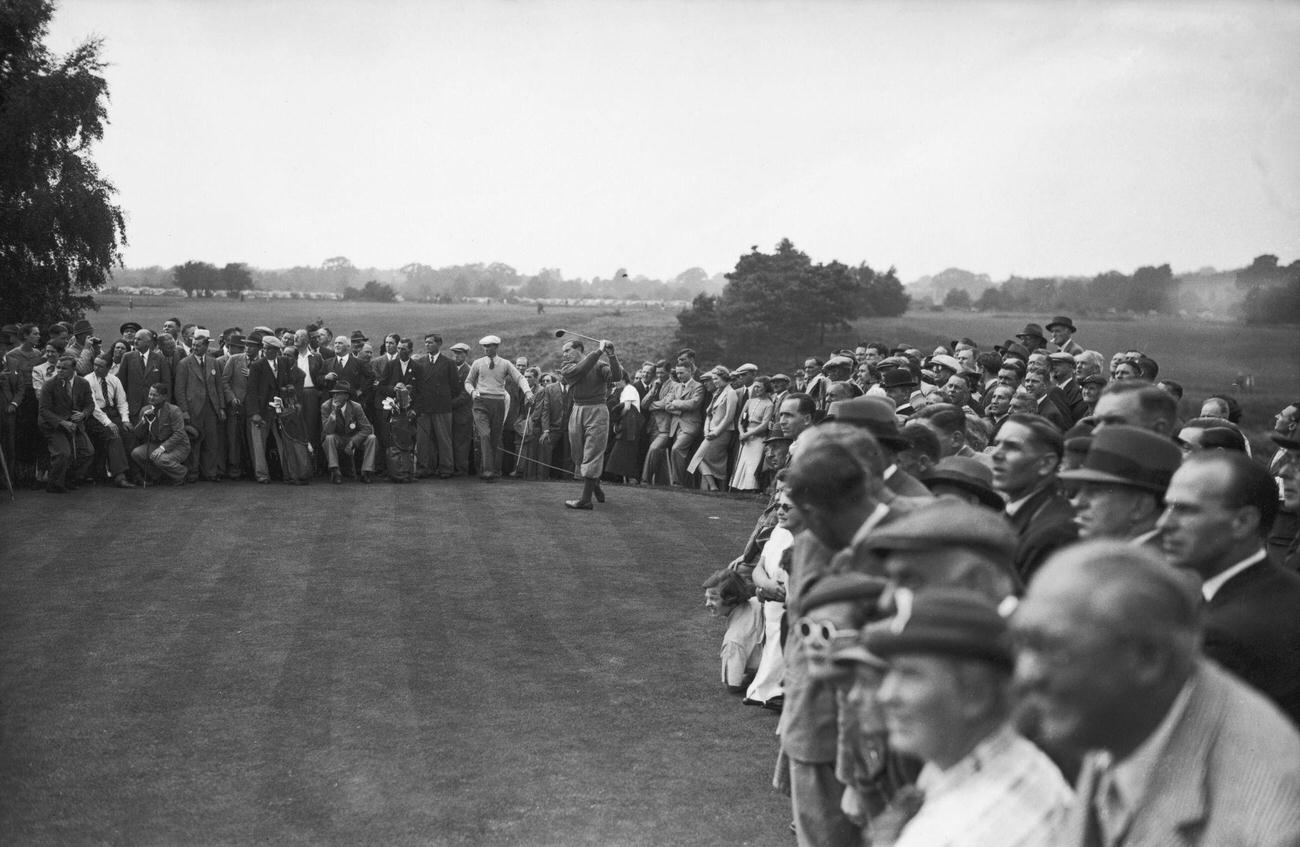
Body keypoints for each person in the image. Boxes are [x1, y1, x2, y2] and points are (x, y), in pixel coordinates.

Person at [1011, 540, 1300, 846]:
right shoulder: (1125, 710)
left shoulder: (1263, 824)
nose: (1026, 677)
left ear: (1148, 659)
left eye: (1054, 650)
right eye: (1025, 644)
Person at [866, 588, 1071, 847]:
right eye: (889, 672)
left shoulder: (941, 838)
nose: (886, 695)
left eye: (910, 674)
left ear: (976, 695)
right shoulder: (1027, 761)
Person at [1157, 451, 1300, 725]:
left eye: (1185, 509)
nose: (1164, 524)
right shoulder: (1285, 590)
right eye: (1167, 507)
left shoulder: (1221, 634)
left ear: (1243, 522)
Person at [989, 413, 1077, 585]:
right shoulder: (1017, 511)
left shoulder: (1054, 532)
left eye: (1012, 447)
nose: (996, 454)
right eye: (997, 444)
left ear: (1046, 464)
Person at [1059, 424, 1181, 546]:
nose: (1078, 502)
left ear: (1140, 506)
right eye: (1080, 491)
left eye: (1093, 492)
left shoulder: (1147, 562)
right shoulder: (1117, 552)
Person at [555, 337, 618, 507]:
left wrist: (612, 356)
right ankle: (595, 486)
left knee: (593, 452)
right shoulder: (567, 367)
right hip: (577, 409)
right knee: (578, 454)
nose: (565, 355)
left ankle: (585, 500)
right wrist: (598, 351)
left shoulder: (600, 364)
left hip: (597, 409)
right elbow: (581, 370)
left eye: (567, 350)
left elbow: (616, 377)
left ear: (579, 349)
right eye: (563, 352)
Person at [465, 335, 532, 482]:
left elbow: (520, 377)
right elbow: (468, 382)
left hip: (498, 403)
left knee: (494, 438)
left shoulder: (505, 364)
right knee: (485, 434)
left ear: (496, 347)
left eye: (489, 346)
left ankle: (487, 469)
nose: (486, 349)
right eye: (484, 346)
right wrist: (472, 392)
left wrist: (527, 392)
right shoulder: (477, 363)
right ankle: (488, 471)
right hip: (480, 402)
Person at [172, 328, 226, 483]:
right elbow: (179, 390)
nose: (195, 348)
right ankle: (193, 473)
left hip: (211, 408)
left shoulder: (213, 362)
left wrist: (221, 407)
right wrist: (184, 411)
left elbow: (219, 387)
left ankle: (210, 472)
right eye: (194, 345)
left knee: (211, 441)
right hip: (193, 408)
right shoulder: (184, 363)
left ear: (206, 347)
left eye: (198, 346)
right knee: (194, 441)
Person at [37, 355, 96, 492]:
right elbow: (43, 410)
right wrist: (63, 422)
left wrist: (83, 414)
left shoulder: (83, 383)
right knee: (63, 453)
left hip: (74, 424)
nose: (59, 371)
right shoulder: (49, 385)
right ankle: (54, 484)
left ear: (73, 369)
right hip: (53, 425)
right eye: (58, 367)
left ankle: (69, 478)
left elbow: (90, 404)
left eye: (64, 368)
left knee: (88, 452)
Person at [409, 333, 463, 479]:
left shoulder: (448, 363)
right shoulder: (420, 362)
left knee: (444, 439)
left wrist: (444, 399)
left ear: (439, 344)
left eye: (431, 342)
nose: (427, 345)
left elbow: (455, 387)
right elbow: (416, 386)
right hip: (424, 408)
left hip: (442, 407)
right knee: (422, 440)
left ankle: (446, 468)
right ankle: (423, 468)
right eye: (426, 342)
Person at [688, 365, 738, 492]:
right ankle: (713, 487)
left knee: (698, 459)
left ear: (724, 377)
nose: (714, 382)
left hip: (722, 433)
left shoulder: (731, 393)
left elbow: (728, 417)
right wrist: (706, 430)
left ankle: (713, 486)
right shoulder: (717, 393)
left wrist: (716, 432)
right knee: (700, 459)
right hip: (711, 431)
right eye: (713, 379)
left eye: (716, 379)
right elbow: (709, 414)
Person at [130, 382, 190, 485]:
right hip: (156, 444)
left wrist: (162, 448)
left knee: (160, 459)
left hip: (178, 446)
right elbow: (138, 434)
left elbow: (179, 434)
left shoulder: (174, 410)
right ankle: (157, 476)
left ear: (163, 397)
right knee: (136, 454)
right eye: (150, 394)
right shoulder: (145, 410)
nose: (151, 397)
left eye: (155, 395)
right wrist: (144, 421)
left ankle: (182, 473)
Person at [321, 380, 377, 484]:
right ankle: (335, 471)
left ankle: (366, 472)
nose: (335, 396)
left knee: (372, 438)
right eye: (334, 393)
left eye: (338, 393)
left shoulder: (356, 407)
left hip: (352, 437)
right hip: (338, 437)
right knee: (329, 438)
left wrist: (353, 442)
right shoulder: (326, 406)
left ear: (346, 396)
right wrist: (332, 418)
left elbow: (367, 428)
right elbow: (327, 431)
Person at [730, 375, 774, 492]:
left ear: (766, 388)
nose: (756, 389)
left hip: (757, 437)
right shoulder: (749, 401)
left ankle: (750, 488)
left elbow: (764, 424)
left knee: (753, 462)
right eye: (755, 387)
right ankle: (738, 487)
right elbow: (740, 420)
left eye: (759, 387)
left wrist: (748, 435)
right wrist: (742, 432)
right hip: (745, 435)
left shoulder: (769, 404)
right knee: (742, 460)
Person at [664, 361, 705, 487]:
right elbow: (666, 405)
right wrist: (680, 405)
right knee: (678, 453)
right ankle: (681, 483)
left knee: (677, 449)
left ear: (690, 371)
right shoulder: (675, 387)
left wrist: (675, 403)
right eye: (677, 373)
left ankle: (677, 483)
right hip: (675, 426)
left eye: (682, 372)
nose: (679, 375)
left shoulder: (698, 386)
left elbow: (694, 404)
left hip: (690, 426)